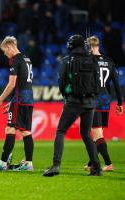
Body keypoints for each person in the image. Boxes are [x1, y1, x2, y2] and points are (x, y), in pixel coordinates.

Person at [43, 35, 102, 177]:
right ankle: (97, 168)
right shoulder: (93, 60)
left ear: (72, 46)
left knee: (61, 131)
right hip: (90, 103)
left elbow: (62, 83)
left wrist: (67, 96)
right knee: (86, 134)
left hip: (74, 102)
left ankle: (56, 165)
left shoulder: (67, 60)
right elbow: (99, 83)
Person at [0, 36, 34, 171]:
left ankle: (3, 163)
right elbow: (24, 83)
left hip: (20, 99)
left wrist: (0, 99)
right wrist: (12, 101)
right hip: (28, 99)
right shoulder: (27, 59)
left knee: (10, 129)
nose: (5, 54)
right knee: (26, 131)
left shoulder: (15, 60)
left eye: (4, 51)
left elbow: (12, 84)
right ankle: (28, 163)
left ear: (9, 46)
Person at [84, 36, 123, 172]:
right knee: (99, 133)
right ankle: (91, 162)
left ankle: (108, 163)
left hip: (94, 99)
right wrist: (119, 102)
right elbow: (117, 85)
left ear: (89, 47)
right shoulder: (109, 61)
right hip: (106, 100)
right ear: (98, 46)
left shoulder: (89, 61)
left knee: (97, 134)